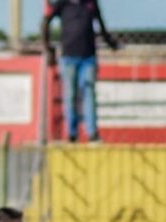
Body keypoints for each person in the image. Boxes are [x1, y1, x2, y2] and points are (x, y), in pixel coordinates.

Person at [42, 0, 120, 143]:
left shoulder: (90, 3)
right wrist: (48, 49)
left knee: (88, 92)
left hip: (88, 57)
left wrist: (111, 43)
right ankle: (72, 134)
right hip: (68, 58)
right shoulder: (63, 4)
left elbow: (101, 26)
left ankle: (92, 133)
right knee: (70, 95)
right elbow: (46, 21)